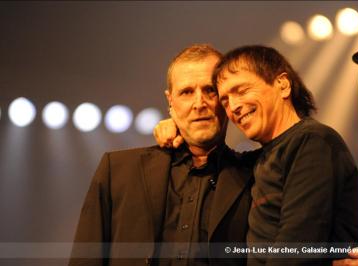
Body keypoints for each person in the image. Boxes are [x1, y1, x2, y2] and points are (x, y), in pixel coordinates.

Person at [154, 45, 358, 266]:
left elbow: (295, 251)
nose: (234, 106)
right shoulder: (261, 159)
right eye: (225, 100)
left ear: (283, 85)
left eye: (241, 91)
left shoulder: (312, 142)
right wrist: (178, 125)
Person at [68, 44, 254, 266]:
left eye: (210, 90)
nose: (199, 103)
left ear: (226, 99)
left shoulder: (255, 175)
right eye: (186, 92)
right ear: (170, 101)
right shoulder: (118, 169)